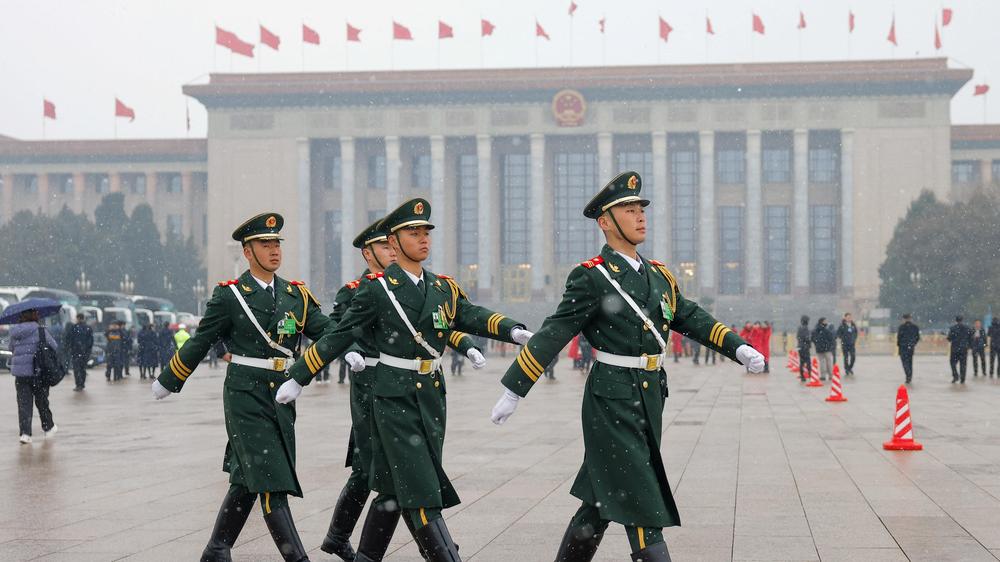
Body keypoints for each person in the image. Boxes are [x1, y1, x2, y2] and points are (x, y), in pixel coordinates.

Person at [489, 172, 765, 562]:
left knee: (601, 500)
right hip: (612, 396)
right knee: (640, 492)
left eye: (641, 209)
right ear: (605, 221)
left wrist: (738, 349)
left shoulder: (659, 275)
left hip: (650, 393)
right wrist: (515, 388)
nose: (640, 217)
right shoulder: (592, 277)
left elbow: (691, 317)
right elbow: (556, 330)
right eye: (628, 210)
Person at [288, 199, 528, 562]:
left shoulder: (442, 287)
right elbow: (339, 333)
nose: (423, 239)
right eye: (412, 233)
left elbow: (467, 316)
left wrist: (511, 329)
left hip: (431, 398)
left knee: (391, 491)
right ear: (394, 242)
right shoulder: (376, 289)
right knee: (419, 489)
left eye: (425, 232)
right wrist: (301, 375)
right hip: (393, 397)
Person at [150, 212, 331, 562]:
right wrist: (170, 379)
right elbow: (202, 339)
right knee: (270, 480)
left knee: (248, 478)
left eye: (277, 243)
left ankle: (217, 550)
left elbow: (327, 332)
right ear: (248, 252)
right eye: (266, 244)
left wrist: (354, 350)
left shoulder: (296, 295)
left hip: (282, 393)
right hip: (245, 394)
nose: (274, 250)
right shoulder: (231, 296)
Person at [319, 217, 485, 561]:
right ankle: (428, 541)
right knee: (376, 470)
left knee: (395, 476)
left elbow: (433, 327)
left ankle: (399, 543)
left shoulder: (420, 287)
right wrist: (347, 353)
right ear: (369, 253)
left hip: (411, 387)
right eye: (383, 246)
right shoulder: (357, 291)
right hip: (372, 386)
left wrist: (465, 343)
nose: (390, 252)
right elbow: (336, 329)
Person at [9, 310, 59, 444]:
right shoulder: (41, 331)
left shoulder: (14, 332)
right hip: (38, 372)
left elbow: (11, 349)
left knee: (24, 404)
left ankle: (25, 434)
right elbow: (54, 346)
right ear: (35, 316)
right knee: (42, 401)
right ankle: (48, 428)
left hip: (21, 374)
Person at [64, 313, 94, 391]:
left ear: (77, 318)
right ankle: (82, 384)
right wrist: (88, 350)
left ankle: (78, 385)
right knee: (83, 368)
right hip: (84, 352)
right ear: (83, 318)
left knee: (77, 369)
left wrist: (68, 348)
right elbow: (91, 341)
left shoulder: (73, 327)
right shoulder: (88, 328)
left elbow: (68, 339)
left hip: (75, 352)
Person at [947, 315, 972, 384]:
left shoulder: (952, 328)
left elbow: (949, 338)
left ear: (956, 320)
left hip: (955, 349)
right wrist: (969, 346)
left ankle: (955, 376)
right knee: (963, 364)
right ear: (962, 319)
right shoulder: (967, 328)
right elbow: (970, 338)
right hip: (964, 349)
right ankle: (963, 379)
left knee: (953, 363)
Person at [897, 314, 920, 384]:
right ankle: (909, 376)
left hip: (903, 347)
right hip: (911, 347)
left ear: (904, 319)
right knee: (910, 362)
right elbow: (917, 337)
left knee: (904, 362)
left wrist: (899, 344)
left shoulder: (901, 327)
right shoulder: (915, 327)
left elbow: (899, 337)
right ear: (910, 318)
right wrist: (913, 343)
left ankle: (908, 375)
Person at [796, 315, 812, 382]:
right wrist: (809, 340)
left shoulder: (799, 328)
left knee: (802, 362)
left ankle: (802, 375)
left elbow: (798, 337)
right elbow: (807, 338)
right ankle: (809, 373)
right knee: (808, 361)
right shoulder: (805, 328)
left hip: (800, 347)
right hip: (805, 347)